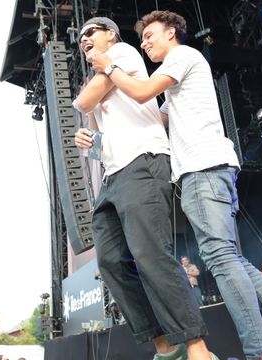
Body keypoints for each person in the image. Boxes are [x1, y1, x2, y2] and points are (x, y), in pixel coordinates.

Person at [86, 10, 262, 360]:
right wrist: (99, 132)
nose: (145, 42)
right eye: (142, 38)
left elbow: (141, 92)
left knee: (221, 258)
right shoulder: (175, 81)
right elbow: (152, 115)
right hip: (199, 174)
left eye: (151, 35)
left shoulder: (182, 55)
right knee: (231, 260)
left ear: (172, 33)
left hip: (205, 168)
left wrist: (109, 66)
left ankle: (260, 353)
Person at [73, 16, 214, 360]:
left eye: (91, 32)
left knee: (151, 253)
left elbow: (82, 101)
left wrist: (91, 94)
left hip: (142, 161)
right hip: (111, 175)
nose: (84, 39)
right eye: (81, 38)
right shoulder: (105, 73)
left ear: (111, 34)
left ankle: (198, 348)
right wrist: (86, 139)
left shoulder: (123, 52)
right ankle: (166, 348)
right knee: (110, 262)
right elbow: (95, 122)